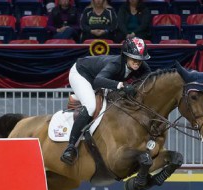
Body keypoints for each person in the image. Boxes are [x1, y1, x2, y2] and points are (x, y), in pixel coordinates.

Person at [60, 37, 151, 165]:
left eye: (140, 60)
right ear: (125, 56)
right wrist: (122, 85)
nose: (137, 62)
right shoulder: (115, 65)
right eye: (134, 59)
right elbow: (98, 80)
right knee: (91, 106)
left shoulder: (140, 65)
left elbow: (148, 78)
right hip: (81, 73)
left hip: (99, 77)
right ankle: (70, 147)